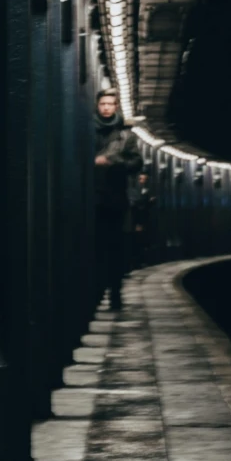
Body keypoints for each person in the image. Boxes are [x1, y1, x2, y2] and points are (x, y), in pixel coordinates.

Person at [93, 87, 132, 310]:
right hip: (91, 200)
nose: (106, 108)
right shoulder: (87, 129)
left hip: (115, 200)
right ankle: (97, 293)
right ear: (98, 106)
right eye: (103, 104)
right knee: (96, 248)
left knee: (115, 249)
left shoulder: (125, 135)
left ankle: (115, 295)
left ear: (116, 106)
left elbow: (136, 163)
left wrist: (116, 163)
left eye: (110, 104)